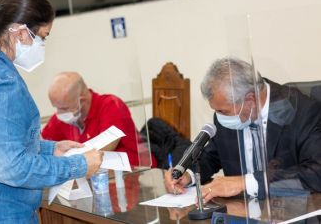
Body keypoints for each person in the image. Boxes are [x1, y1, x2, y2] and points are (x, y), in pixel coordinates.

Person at [0, 0, 103, 223]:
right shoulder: (1, 83)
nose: (42, 45)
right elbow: (10, 167)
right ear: (20, 32)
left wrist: (51, 149)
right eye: (43, 37)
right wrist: (77, 166)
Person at [164, 57, 321, 203]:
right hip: (241, 210)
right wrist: (188, 175)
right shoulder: (230, 111)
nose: (219, 117)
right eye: (216, 111)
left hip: (291, 210)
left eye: (223, 112)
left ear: (250, 100)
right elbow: (213, 155)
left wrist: (245, 183)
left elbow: (316, 173)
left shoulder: (304, 112)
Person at [42, 71, 157, 167]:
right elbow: (45, 146)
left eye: (64, 108)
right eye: (56, 107)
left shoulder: (111, 105)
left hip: (134, 174)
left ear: (81, 101)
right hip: (98, 179)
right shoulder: (64, 115)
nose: (59, 113)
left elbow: (104, 149)